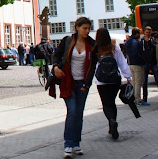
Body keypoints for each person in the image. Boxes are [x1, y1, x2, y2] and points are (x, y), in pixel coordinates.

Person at [53, 17, 96, 158]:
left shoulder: (91, 44)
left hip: (82, 84)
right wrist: (55, 68)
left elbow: (92, 66)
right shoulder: (67, 41)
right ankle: (68, 144)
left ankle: (76, 143)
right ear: (77, 27)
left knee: (79, 113)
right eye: (85, 28)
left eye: (89, 28)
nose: (87, 31)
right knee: (72, 111)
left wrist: (87, 84)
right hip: (68, 82)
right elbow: (56, 55)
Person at [93, 28, 131, 140]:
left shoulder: (96, 49)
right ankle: (112, 123)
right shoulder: (114, 47)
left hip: (101, 81)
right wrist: (128, 76)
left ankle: (111, 121)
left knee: (105, 103)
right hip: (114, 79)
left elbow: (93, 66)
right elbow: (122, 62)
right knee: (112, 102)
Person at [142, 26, 158, 104]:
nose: (148, 34)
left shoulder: (153, 40)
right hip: (145, 63)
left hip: (153, 63)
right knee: (144, 82)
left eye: (149, 32)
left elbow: (156, 48)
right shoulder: (142, 40)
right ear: (144, 32)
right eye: (147, 32)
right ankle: (144, 98)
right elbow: (140, 50)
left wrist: (150, 42)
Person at [124, 27, 147, 105]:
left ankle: (133, 97)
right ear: (137, 34)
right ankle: (137, 99)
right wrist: (143, 60)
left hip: (130, 63)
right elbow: (136, 53)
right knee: (138, 82)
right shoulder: (135, 42)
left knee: (134, 82)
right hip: (137, 63)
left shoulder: (128, 41)